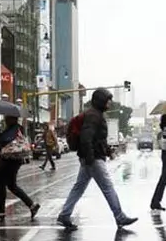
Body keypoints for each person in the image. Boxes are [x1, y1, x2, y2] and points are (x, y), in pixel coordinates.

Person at [57, 88, 137, 230]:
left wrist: (107, 151)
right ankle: (119, 216)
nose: (110, 102)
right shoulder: (94, 116)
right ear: (100, 100)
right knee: (107, 187)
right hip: (93, 158)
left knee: (79, 188)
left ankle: (64, 214)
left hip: (90, 157)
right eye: (108, 99)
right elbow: (86, 138)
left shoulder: (96, 114)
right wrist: (90, 158)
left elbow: (98, 139)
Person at [0, 115, 40, 221]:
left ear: (13, 119)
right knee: (12, 185)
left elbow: (3, 140)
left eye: (7, 118)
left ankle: (1, 212)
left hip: (9, 159)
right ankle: (32, 205)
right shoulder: (16, 129)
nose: (6, 120)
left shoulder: (13, 129)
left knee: (1, 184)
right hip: (15, 159)